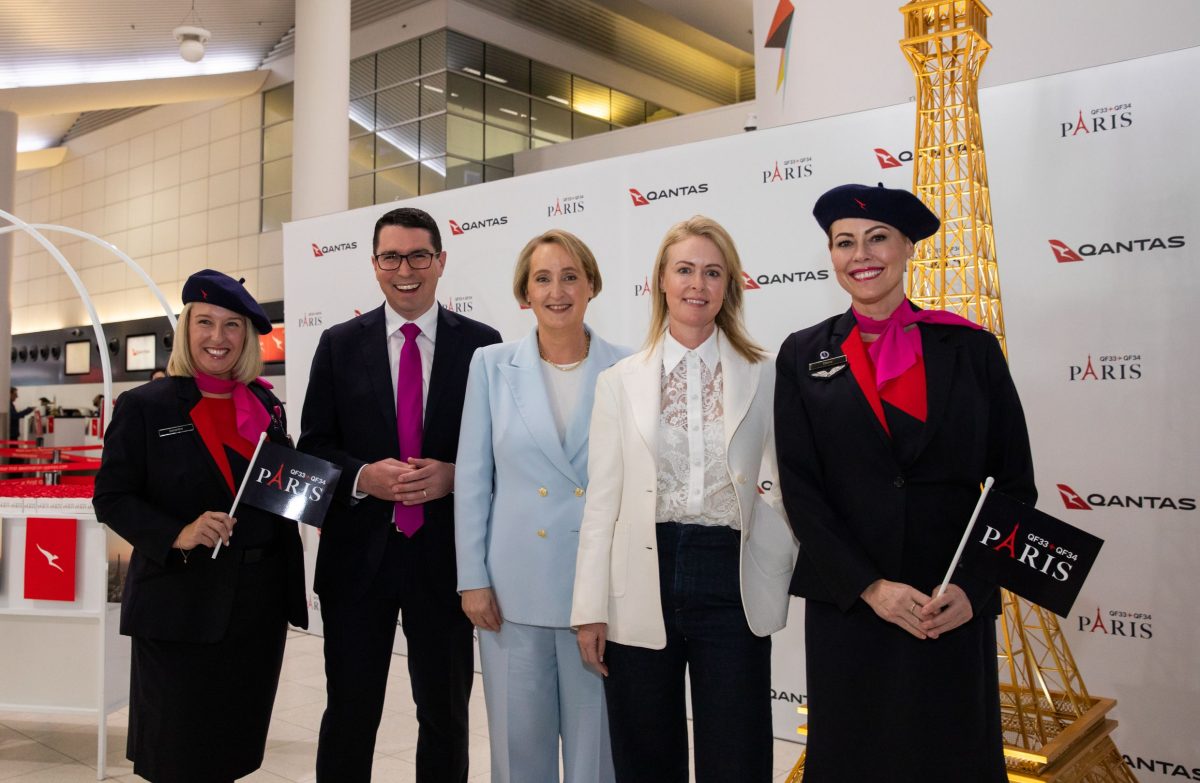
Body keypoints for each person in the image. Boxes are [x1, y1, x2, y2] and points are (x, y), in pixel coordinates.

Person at [774, 183, 1037, 782]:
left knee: (952, 758)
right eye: (844, 242)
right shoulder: (802, 354)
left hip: (946, 607)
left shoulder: (971, 348)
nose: (861, 255)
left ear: (908, 248)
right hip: (852, 608)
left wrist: (972, 588)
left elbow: (1014, 486)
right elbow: (801, 490)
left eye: (877, 238)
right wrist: (869, 587)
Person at [571, 216, 797, 783]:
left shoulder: (765, 375)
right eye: (685, 270)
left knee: (738, 756)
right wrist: (589, 609)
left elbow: (786, 483)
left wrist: (780, 549)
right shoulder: (620, 381)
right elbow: (602, 502)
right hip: (643, 573)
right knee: (646, 754)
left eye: (712, 272)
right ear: (661, 282)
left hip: (733, 578)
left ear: (728, 287)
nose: (698, 284)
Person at [299, 206, 502, 783]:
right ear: (374, 265)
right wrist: (364, 477)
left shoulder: (483, 347)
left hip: (446, 564)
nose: (404, 269)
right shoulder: (338, 344)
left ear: (440, 261)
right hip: (356, 563)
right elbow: (314, 448)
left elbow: (506, 450)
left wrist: (455, 475)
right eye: (391, 257)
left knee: (445, 716)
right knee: (350, 713)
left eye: (418, 256)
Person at [92, 269, 308, 783]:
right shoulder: (144, 406)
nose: (218, 338)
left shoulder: (265, 405)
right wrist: (176, 532)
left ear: (248, 336)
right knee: (176, 750)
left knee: (233, 746)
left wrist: (320, 498)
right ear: (186, 330)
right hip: (178, 602)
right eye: (205, 322)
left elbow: (278, 486)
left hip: (257, 605)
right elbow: (111, 497)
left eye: (232, 325)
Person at [456, 230, 628, 783]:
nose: (558, 291)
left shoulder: (627, 368)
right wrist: (471, 578)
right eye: (543, 278)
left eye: (571, 276)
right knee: (517, 752)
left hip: (597, 595)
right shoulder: (490, 366)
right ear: (524, 294)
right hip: (512, 594)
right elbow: (475, 478)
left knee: (595, 757)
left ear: (592, 285)